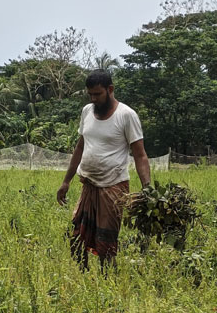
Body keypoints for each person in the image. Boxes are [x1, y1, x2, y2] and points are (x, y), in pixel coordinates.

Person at [57, 70, 151, 269]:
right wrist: (66, 181)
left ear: (110, 90)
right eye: (90, 94)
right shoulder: (87, 112)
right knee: (76, 236)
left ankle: (109, 282)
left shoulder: (126, 115)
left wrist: (147, 189)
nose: (93, 99)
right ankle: (82, 278)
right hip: (88, 185)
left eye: (97, 94)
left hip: (113, 187)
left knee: (106, 242)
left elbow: (140, 155)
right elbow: (80, 147)